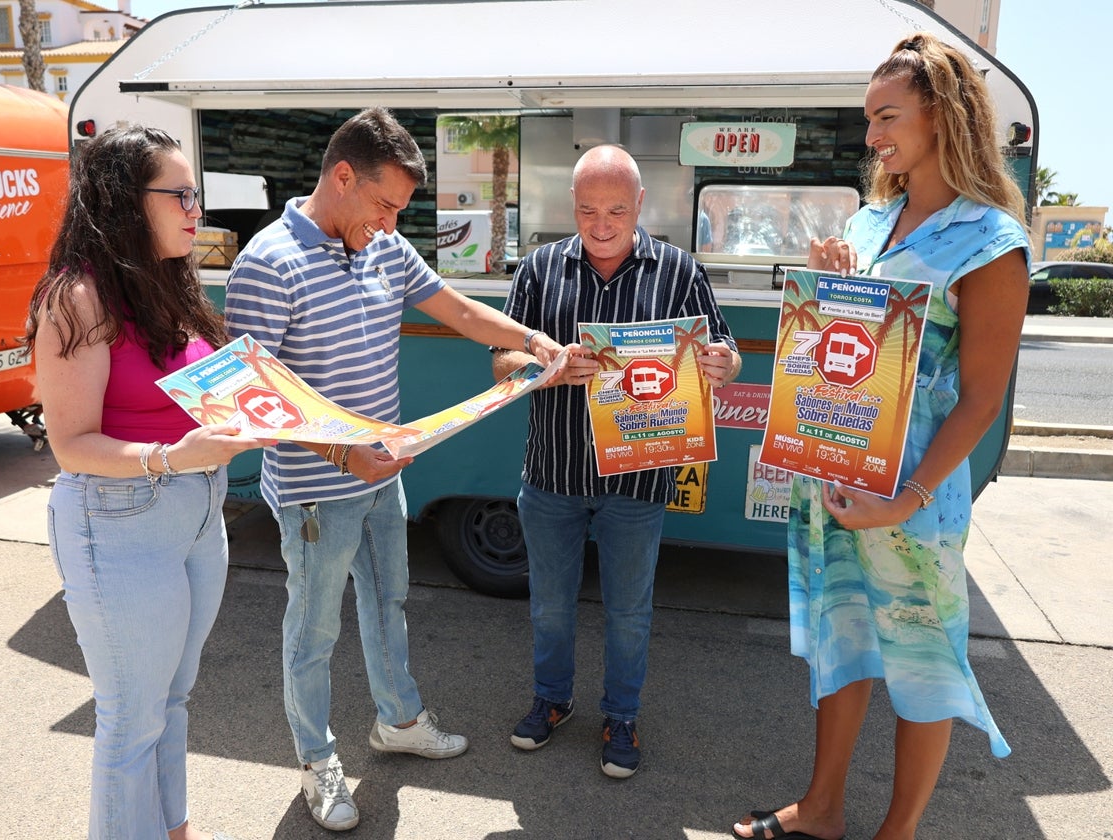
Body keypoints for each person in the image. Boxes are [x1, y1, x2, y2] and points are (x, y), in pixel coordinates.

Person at [222, 107, 565, 832]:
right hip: (318, 491)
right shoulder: (266, 261)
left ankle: (399, 722)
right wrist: (345, 452)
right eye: (383, 204)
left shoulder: (383, 245)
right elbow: (255, 400)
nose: (389, 222)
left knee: (389, 605)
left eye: (400, 210)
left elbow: (460, 311)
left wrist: (533, 339)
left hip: (386, 475)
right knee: (312, 632)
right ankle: (317, 762)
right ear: (342, 176)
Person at [733, 32, 1030, 840]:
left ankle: (894, 834)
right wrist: (830, 282)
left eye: (886, 116)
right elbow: (840, 350)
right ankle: (821, 809)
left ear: (945, 115)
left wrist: (905, 500)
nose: (872, 137)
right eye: (869, 120)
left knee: (922, 661)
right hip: (835, 476)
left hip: (910, 497)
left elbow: (982, 400)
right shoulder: (870, 223)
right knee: (845, 640)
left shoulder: (990, 243)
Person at [24, 125, 263, 840]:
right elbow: (70, 445)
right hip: (118, 520)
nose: (197, 210)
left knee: (173, 700)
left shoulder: (167, 282)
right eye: (182, 195)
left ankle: (172, 829)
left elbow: (193, 396)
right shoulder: (79, 297)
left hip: (195, 513)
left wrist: (260, 407)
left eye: (198, 195)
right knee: (131, 719)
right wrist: (171, 458)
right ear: (129, 200)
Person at [494, 144, 742, 779]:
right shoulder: (538, 269)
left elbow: (725, 350)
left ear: (640, 205)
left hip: (639, 475)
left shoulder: (679, 269)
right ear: (570, 206)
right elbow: (501, 363)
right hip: (553, 472)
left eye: (615, 210)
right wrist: (549, 370)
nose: (601, 225)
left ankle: (621, 715)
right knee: (550, 603)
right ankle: (551, 701)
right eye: (586, 210)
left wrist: (723, 364)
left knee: (629, 610)